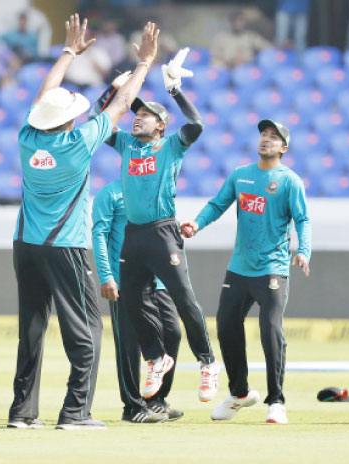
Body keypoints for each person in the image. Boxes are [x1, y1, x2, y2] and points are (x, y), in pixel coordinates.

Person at [8, 14, 159, 431]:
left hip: (26, 245)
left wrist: (68, 54)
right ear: (70, 120)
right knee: (87, 330)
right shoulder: (77, 143)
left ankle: (22, 413)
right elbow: (121, 105)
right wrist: (145, 64)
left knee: (32, 330)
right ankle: (75, 413)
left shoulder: (27, 138)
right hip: (66, 247)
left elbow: (44, 96)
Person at [97, 48, 218, 404]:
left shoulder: (170, 148)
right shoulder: (125, 146)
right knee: (131, 299)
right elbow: (97, 118)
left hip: (163, 232)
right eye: (137, 114)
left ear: (161, 125)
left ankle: (208, 363)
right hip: (133, 236)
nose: (138, 119)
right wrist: (114, 89)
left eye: (147, 116)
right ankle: (156, 358)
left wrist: (175, 91)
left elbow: (196, 125)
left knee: (183, 300)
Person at [182, 119, 311, 425]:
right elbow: (217, 204)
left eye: (273, 137)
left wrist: (303, 250)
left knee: (271, 332)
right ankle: (239, 392)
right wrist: (197, 224)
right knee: (226, 327)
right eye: (263, 134)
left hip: (273, 269)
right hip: (240, 268)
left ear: (284, 147)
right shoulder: (241, 175)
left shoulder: (290, 181)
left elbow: (302, 220)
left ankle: (276, 400)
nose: (266, 139)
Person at [92, 175, 182, 424]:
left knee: (172, 332)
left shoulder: (156, 191)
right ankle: (132, 406)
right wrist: (106, 275)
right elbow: (99, 234)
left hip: (158, 279)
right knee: (129, 344)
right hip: (124, 280)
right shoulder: (109, 193)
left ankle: (157, 400)